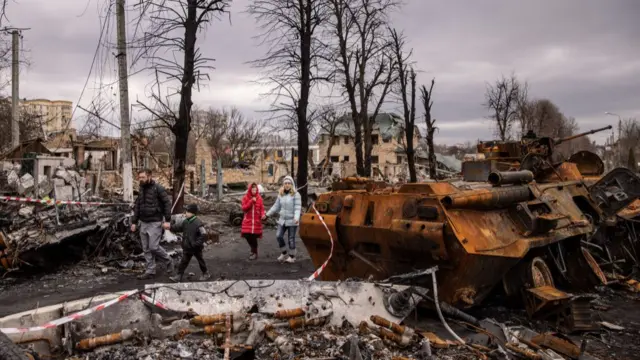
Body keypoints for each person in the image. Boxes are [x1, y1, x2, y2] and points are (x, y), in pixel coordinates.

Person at [130, 169, 175, 280]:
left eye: (143, 177)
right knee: (146, 248)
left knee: (153, 247)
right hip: (143, 222)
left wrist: (168, 220)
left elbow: (167, 203)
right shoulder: (141, 189)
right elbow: (138, 206)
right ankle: (150, 271)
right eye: (139, 177)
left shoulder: (158, 188)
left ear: (149, 176)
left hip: (155, 222)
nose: (140, 179)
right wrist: (134, 222)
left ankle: (168, 260)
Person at [264, 176, 301, 263]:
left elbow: (297, 208)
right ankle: (284, 253)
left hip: (292, 220)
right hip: (282, 219)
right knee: (278, 236)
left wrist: (296, 218)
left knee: (291, 239)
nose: (287, 185)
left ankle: (292, 257)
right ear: (283, 184)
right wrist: (267, 215)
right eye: (285, 183)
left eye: (289, 183)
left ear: (292, 184)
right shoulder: (281, 194)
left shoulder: (296, 194)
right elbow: (276, 206)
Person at [169, 204, 210, 282]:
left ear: (193, 213)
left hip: (195, 248)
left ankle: (205, 273)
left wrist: (196, 244)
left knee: (200, 260)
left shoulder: (198, 223)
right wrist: (170, 227)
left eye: (187, 212)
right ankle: (179, 276)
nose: (185, 213)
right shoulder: (186, 222)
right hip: (187, 247)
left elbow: (203, 235)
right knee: (184, 262)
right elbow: (179, 228)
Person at [241, 183, 265, 260]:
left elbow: (262, 209)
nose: (254, 191)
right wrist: (251, 201)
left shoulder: (259, 198)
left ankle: (254, 252)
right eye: (252, 189)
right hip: (248, 221)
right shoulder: (245, 198)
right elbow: (244, 208)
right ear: (250, 190)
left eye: (255, 190)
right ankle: (253, 249)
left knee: (254, 237)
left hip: (256, 222)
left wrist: (263, 215)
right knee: (247, 235)